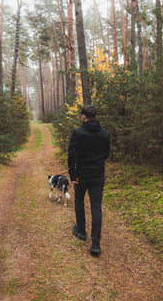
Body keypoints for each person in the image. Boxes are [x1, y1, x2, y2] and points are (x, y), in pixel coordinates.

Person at [68, 105, 110, 256]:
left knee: (79, 200)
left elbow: (71, 154)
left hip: (81, 176)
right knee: (96, 207)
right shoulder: (105, 134)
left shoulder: (78, 133)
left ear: (84, 117)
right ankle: (95, 245)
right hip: (98, 175)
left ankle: (81, 231)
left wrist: (73, 174)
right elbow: (106, 153)